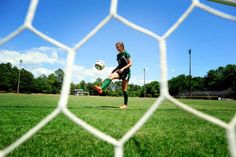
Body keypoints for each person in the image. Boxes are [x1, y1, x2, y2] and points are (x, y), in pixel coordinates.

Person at [94, 41, 132, 109]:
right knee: (110, 76)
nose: (117, 48)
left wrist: (123, 68)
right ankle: (100, 88)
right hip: (119, 72)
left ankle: (125, 105)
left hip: (126, 73)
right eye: (116, 47)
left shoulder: (126, 53)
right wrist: (114, 70)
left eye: (118, 47)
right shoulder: (118, 55)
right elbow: (119, 65)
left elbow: (130, 64)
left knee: (124, 89)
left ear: (122, 46)